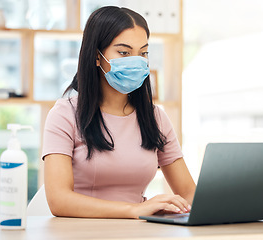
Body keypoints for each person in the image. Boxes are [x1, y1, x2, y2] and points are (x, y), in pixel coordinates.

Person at [42, 6, 196, 219]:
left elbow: (189, 193)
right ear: (97, 56)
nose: (136, 61)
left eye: (143, 53)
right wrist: (134, 210)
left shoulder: (155, 117)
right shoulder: (65, 114)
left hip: (136, 232)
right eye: (124, 52)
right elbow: (59, 200)